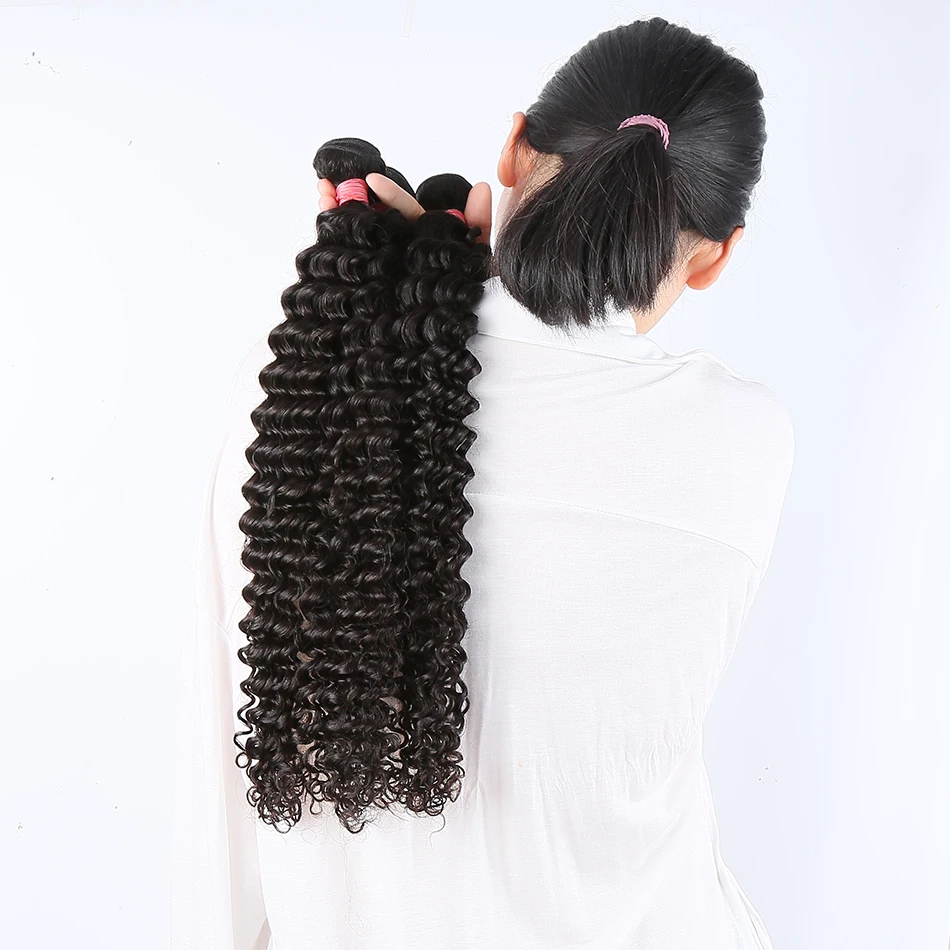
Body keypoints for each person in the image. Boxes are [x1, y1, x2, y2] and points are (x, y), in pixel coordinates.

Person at [168, 16, 794, 950]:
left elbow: (226, 790)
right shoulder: (745, 438)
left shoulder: (303, 384)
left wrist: (381, 316)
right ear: (715, 254)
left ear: (512, 150)